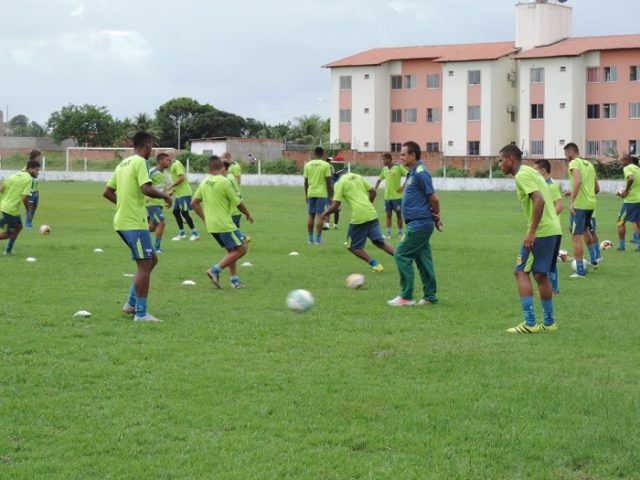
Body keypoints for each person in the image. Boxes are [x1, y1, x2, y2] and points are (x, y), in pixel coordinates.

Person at [103, 132, 172, 322]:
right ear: (147, 145)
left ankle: (131, 303)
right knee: (144, 264)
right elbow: (146, 188)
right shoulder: (140, 162)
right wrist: (165, 196)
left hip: (123, 221)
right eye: (152, 146)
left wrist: (122, 205)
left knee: (152, 259)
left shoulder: (122, 164)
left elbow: (107, 192)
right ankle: (141, 313)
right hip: (133, 223)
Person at [499, 145, 561, 333]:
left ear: (510, 159)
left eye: (501, 160)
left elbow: (539, 200)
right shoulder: (530, 171)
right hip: (553, 229)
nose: (499, 164)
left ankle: (530, 323)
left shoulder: (522, 175)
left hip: (541, 231)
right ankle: (549, 323)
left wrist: (532, 232)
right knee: (541, 275)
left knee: (520, 271)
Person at [387, 141, 441, 307]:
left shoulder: (420, 173)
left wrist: (436, 216)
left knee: (401, 254)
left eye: (403, 154)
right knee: (423, 261)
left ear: (413, 155)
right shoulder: (413, 172)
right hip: (418, 224)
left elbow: (434, 198)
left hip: (419, 225)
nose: (400, 157)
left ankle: (406, 296)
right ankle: (430, 297)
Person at [192, 155, 254, 289]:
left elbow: (194, 203)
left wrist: (205, 218)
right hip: (225, 224)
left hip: (212, 226)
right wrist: (248, 214)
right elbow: (238, 202)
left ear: (209, 168)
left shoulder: (204, 182)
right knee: (242, 249)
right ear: (222, 168)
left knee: (232, 251)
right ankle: (214, 270)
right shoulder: (224, 181)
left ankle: (234, 281)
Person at [323, 170, 395, 272]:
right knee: (380, 242)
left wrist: (323, 215)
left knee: (353, 247)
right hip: (372, 213)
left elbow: (335, 206)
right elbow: (373, 191)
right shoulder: (358, 176)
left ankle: (376, 265)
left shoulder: (339, 183)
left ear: (338, 176)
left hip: (359, 217)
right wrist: (369, 204)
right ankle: (403, 258)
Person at [564, 142, 599, 278]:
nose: (566, 158)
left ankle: (580, 271)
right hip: (590, 204)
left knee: (575, 236)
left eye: (566, 155)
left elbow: (578, 181)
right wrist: (577, 194)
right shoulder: (589, 165)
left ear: (571, 153)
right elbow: (597, 188)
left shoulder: (574, 163)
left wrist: (573, 202)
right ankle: (594, 260)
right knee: (585, 230)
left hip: (580, 205)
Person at [534, 159, 563, 294]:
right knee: (546, 260)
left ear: (543, 170)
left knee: (549, 261)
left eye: (536, 170)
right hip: (544, 228)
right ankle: (550, 288)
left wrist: (548, 218)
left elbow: (559, 205)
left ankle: (553, 289)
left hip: (550, 229)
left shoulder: (551, 185)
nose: (534, 173)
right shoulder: (543, 185)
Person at [0, 159, 41, 254]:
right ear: (30, 169)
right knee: (9, 233)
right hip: (11, 209)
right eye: (37, 170)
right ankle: (8, 250)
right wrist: (28, 211)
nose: (38, 173)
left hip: (5, 206)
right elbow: (25, 198)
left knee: (18, 227)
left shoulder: (14, 175)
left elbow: (1, 190)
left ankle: (8, 250)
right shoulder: (29, 180)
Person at [374, 152, 408, 238]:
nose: (383, 161)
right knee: (388, 215)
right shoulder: (384, 169)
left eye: (384, 159)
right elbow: (379, 180)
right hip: (387, 197)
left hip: (397, 197)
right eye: (382, 159)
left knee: (399, 214)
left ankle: (400, 233)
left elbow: (409, 175)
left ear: (389, 159)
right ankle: (388, 234)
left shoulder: (398, 167)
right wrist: (374, 189)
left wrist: (403, 187)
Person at [303, 146, 332, 244]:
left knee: (311, 215)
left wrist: (306, 195)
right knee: (320, 215)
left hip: (311, 192)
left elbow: (305, 182)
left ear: (314, 154)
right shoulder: (325, 165)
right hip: (321, 193)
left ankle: (310, 239)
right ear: (323, 154)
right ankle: (318, 240)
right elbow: (328, 181)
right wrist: (330, 196)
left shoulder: (307, 165)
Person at [146, 153, 172, 253]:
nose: (169, 162)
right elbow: (143, 184)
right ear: (160, 161)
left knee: (152, 227)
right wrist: (145, 196)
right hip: (151, 203)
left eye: (169, 160)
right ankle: (156, 248)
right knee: (162, 222)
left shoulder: (166, 174)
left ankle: (137, 234)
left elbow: (163, 189)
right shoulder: (152, 172)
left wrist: (168, 197)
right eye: (167, 160)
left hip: (159, 203)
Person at [169, 156, 199, 241]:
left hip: (184, 193)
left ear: (169, 157)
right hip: (179, 193)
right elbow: (178, 179)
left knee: (185, 213)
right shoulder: (173, 165)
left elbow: (182, 178)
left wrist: (172, 185)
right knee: (176, 212)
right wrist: (173, 191)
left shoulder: (176, 164)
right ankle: (182, 233)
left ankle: (195, 233)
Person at [616, 154, 640, 252]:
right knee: (638, 223)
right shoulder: (637, 168)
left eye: (621, 161)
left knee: (620, 222)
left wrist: (625, 191)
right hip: (639, 199)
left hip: (631, 201)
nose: (620, 163)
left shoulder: (627, 168)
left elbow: (631, 178)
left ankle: (621, 246)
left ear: (626, 160)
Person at [24, 150, 42, 228]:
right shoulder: (28, 166)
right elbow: (23, 173)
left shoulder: (36, 166)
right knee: (30, 206)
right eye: (39, 156)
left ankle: (29, 222)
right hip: (30, 190)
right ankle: (27, 223)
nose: (40, 158)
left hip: (35, 191)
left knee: (34, 207)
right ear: (35, 156)